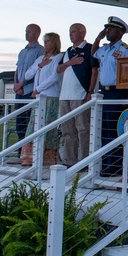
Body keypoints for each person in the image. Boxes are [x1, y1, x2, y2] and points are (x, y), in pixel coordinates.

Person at [92, 17, 128, 176]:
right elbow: (93, 53)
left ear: (120, 32)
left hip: (118, 91)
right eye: (107, 29)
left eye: (111, 29)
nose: (108, 31)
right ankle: (105, 164)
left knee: (115, 129)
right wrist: (98, 37)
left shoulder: (125, 50)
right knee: (104, 129)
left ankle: (115, 166)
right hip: (104, 91)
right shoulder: (104, 49)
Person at [56, 23, 95, 166]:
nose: (70, 34)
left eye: (73, 31)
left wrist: (90, 91)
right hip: (64, 95)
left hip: (80, 94)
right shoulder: (67, 51)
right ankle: (69, 160)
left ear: (82, 33)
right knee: (67, 130)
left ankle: (84, 161)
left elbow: (94, 70)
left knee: (83, 128)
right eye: (70, 31)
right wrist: (70, 62)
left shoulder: (89, 48)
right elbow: (58, 69)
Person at [13, 24, 43, 142]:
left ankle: (28, 154)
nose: (26, 33)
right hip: (19, 92)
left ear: (37, 34)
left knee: (29, 123)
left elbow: (37, 70)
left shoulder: (40, 51)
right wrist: (16, 85)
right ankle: (20, 153)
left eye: (29, 31)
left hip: (30, 91)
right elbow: (17, 69)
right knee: (19, 124)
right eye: (26, 31)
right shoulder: (22, 51)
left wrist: (23, 84)